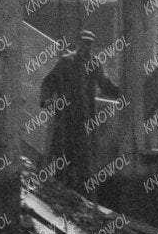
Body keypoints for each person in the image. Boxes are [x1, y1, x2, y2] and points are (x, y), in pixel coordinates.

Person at [40, 29, 121, 197]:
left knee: (84, 155)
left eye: (89, 44)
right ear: (78, 44)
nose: (86, 47)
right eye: (83, 43)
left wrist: (122, 93)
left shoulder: (94, 63)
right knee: (62, 151)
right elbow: (49, 82)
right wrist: (46, 100)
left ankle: (81, 194)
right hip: (66, 115)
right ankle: (61, 189)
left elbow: (105, 84)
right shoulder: (66, 62)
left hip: (86, 117)